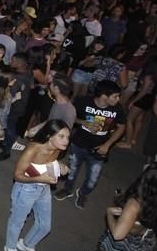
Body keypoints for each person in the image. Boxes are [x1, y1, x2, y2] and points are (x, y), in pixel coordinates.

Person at [3, 120, 70, 251]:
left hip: (43, 188)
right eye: (62, 136)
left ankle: (27, 244)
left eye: (68, 137)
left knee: (45, 226)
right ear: (50, 136)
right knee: (17, 222)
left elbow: (49, 162)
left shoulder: (58, 148)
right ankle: (10, 247)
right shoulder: (33, 149)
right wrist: (39, 179)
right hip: (25, 189)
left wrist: (60, 166)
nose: (66, 141)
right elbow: (17, 175)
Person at [54, 80, 126, 209]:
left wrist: (107, 145)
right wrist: (84, 123)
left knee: (93, 179)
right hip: (79, 144)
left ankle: (83, 193)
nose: (118, 99)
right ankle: (68, 189)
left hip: (99, 149)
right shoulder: (83, 102)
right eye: (115, 96)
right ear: (104, 96)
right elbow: (72, 117)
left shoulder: (117, 109)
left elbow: (121, 127)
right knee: (72, 171)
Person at [98, 162, 157, 251]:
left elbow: (117, 235)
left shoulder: (134, 204)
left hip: (125, 243)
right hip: (144, 240)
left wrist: (109, 213)